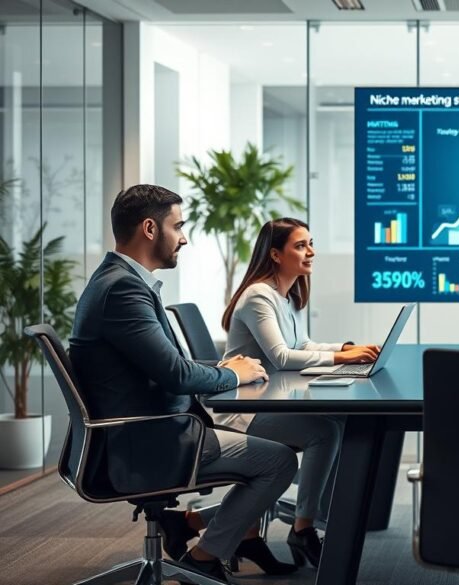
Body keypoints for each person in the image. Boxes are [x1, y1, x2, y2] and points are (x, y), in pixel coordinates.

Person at [69, 184, 298, 582]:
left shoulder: (118, 280)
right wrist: (231, 374)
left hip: (142, 431)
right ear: (150, 229)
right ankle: (204, 558)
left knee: (276, 447)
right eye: (179, 225)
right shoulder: (122, 290)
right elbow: (175, 375)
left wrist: (225, 365)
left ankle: (189, 530)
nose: (185, 237)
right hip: (148, 440)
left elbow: (168, 365)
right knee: (279, 460)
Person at [216, 217, 380, 568]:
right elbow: (282, 357)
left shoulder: (284, 294)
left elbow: (302, 344)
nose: (311, 252)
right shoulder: (258, 295)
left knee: (337, 422)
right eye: (301, 245)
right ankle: (304, 527)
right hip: (245, 411)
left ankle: (301, 523)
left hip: (270, 403)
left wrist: (347, 347)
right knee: (324, 431)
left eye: (311, 243)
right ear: (275, 254)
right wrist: (341, 357)